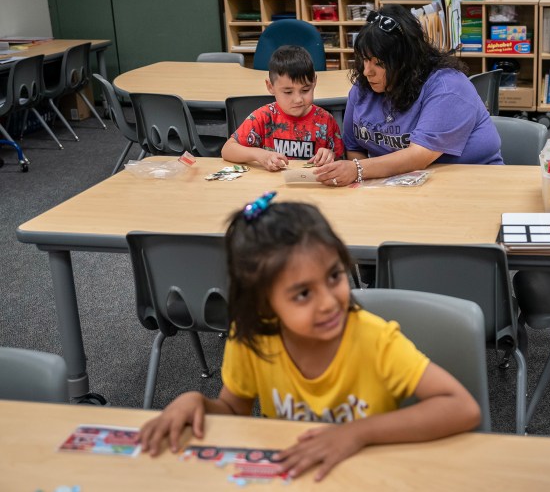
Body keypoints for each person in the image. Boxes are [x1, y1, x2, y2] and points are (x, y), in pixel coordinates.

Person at [139, 192, 481, 481]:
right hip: (301, 474)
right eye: (303, 294)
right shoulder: (252, 339)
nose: (329, 302)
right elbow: (233, 409)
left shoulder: (374, 339)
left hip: (370, 475)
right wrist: (197, 402)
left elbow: (461, 408)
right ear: (263, 302)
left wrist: (357, 433)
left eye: (334, 276)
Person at [313, 4, 502, 187]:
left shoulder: (447, 87)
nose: (366, 71)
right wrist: (364, 184)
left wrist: (357, 170)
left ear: (406, 61)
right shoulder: (363, 88)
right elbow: (354, 148)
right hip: (400, 187)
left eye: (379, 63)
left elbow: (418, 156)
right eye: (364, 59)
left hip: (473, 184)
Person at [221, 45, 344, 172]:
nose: (298, 99)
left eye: (305, 90)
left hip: (312, 188)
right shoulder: (263, 117)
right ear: (270, 87)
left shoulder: (326, 120)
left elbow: (342, 161)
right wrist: (259, 155)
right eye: (288, 92)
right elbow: (227, 150)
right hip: (271, 186)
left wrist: (330, 155)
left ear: (314, 82)